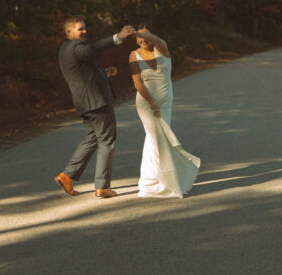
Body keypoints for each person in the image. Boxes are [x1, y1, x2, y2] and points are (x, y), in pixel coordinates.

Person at [55, 15, 135, 199]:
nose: (84, 31)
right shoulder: (76, 47)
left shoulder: (65, 49)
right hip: (96, 101)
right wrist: (119, 36)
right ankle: (102, 187)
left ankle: (67, 175)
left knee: (92, 138)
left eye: (84, 28)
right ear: (69, 32)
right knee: (107, 139)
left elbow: (83, 72)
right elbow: (94, 48)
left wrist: (104, 72)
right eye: (79, 29)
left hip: (85, 103)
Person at [129, 27, 200, 198]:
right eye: (139, 37)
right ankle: (154, 183)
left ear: (153, 36)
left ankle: (150, 181)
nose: (143, 40)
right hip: (146, 103)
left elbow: (160, 42)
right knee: (155, 140)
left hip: (165, 103)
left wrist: (143, 34)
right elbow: (138, 83)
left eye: (146, 36)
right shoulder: (133, 55)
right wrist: (152, 102)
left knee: (155, 139)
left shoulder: (162, 49)